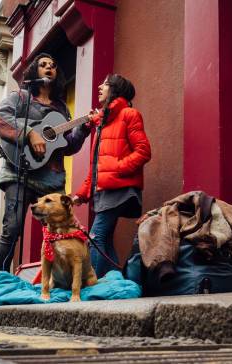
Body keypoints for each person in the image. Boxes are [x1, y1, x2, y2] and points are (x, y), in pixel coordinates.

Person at [0, 53, 90, 276]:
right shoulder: (21, 98)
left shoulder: (62, 108)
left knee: (60, 229)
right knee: (12, 229)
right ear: (34, 71)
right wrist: (29, 133)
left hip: (51, 179)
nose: (49, 68)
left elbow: (68, 146)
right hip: (19, 171)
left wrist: (82, 130)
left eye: (53, 65)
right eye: (43, 65)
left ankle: (56, 281)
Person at [74, 74, 151, 278]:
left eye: (105, 84)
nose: (100, 86)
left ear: (115, 90)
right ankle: (116, 283)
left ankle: (94, 286)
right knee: (105, 240)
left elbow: (143, 151)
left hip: (119, 189)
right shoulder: (102, 124)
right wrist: (81, 194)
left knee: (95, 236)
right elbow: (96, 167)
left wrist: (117, 168)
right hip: (104, 190)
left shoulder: (129, 114)